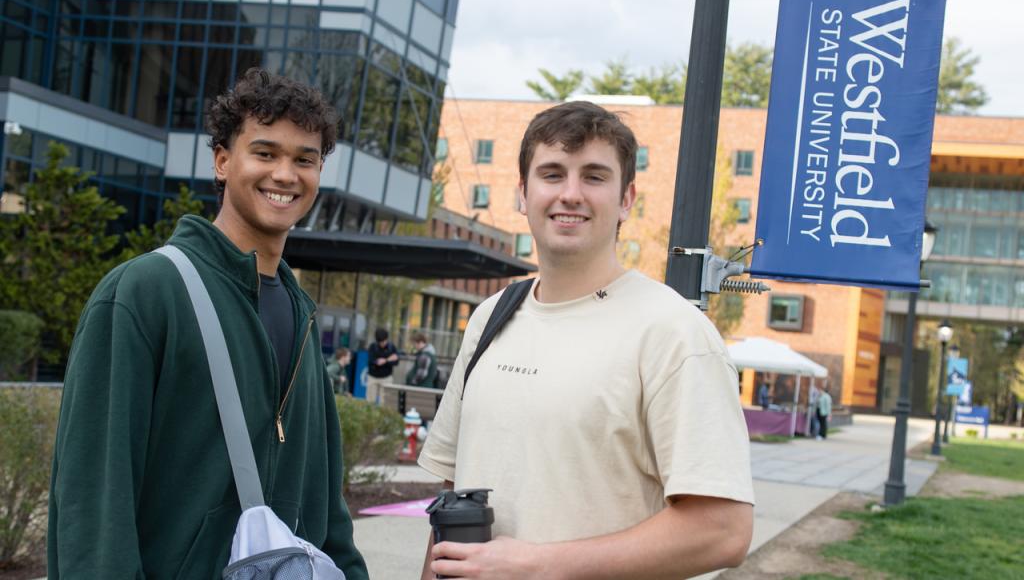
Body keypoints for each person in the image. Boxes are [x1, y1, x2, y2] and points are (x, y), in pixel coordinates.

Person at [47, 68, 368, 579]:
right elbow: (94, 500)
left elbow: (328, 514)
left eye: (304, 159)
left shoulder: (301, 314)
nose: (286, 175)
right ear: (222, 161)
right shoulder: (145, 292)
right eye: (265, 153)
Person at [418, 101, 754, 579]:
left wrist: (536, 566)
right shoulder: (491, 317)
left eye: (594, 177)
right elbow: (453, 500)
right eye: (552, 174)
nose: (570, 194)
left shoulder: (673, 332)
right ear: (522, 193)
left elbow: (723, 531)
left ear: (626, 199)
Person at [367, 327, 399, 404]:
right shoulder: (372, 347)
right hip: (373, 377)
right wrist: (388, 359)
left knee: (385, 402)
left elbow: (396, 362)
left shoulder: (392, 347)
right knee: (370, 401)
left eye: (384, 341)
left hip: (386, 378)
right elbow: (372, 361)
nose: (383, 343)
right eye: (381, 342)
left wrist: (385, 361)